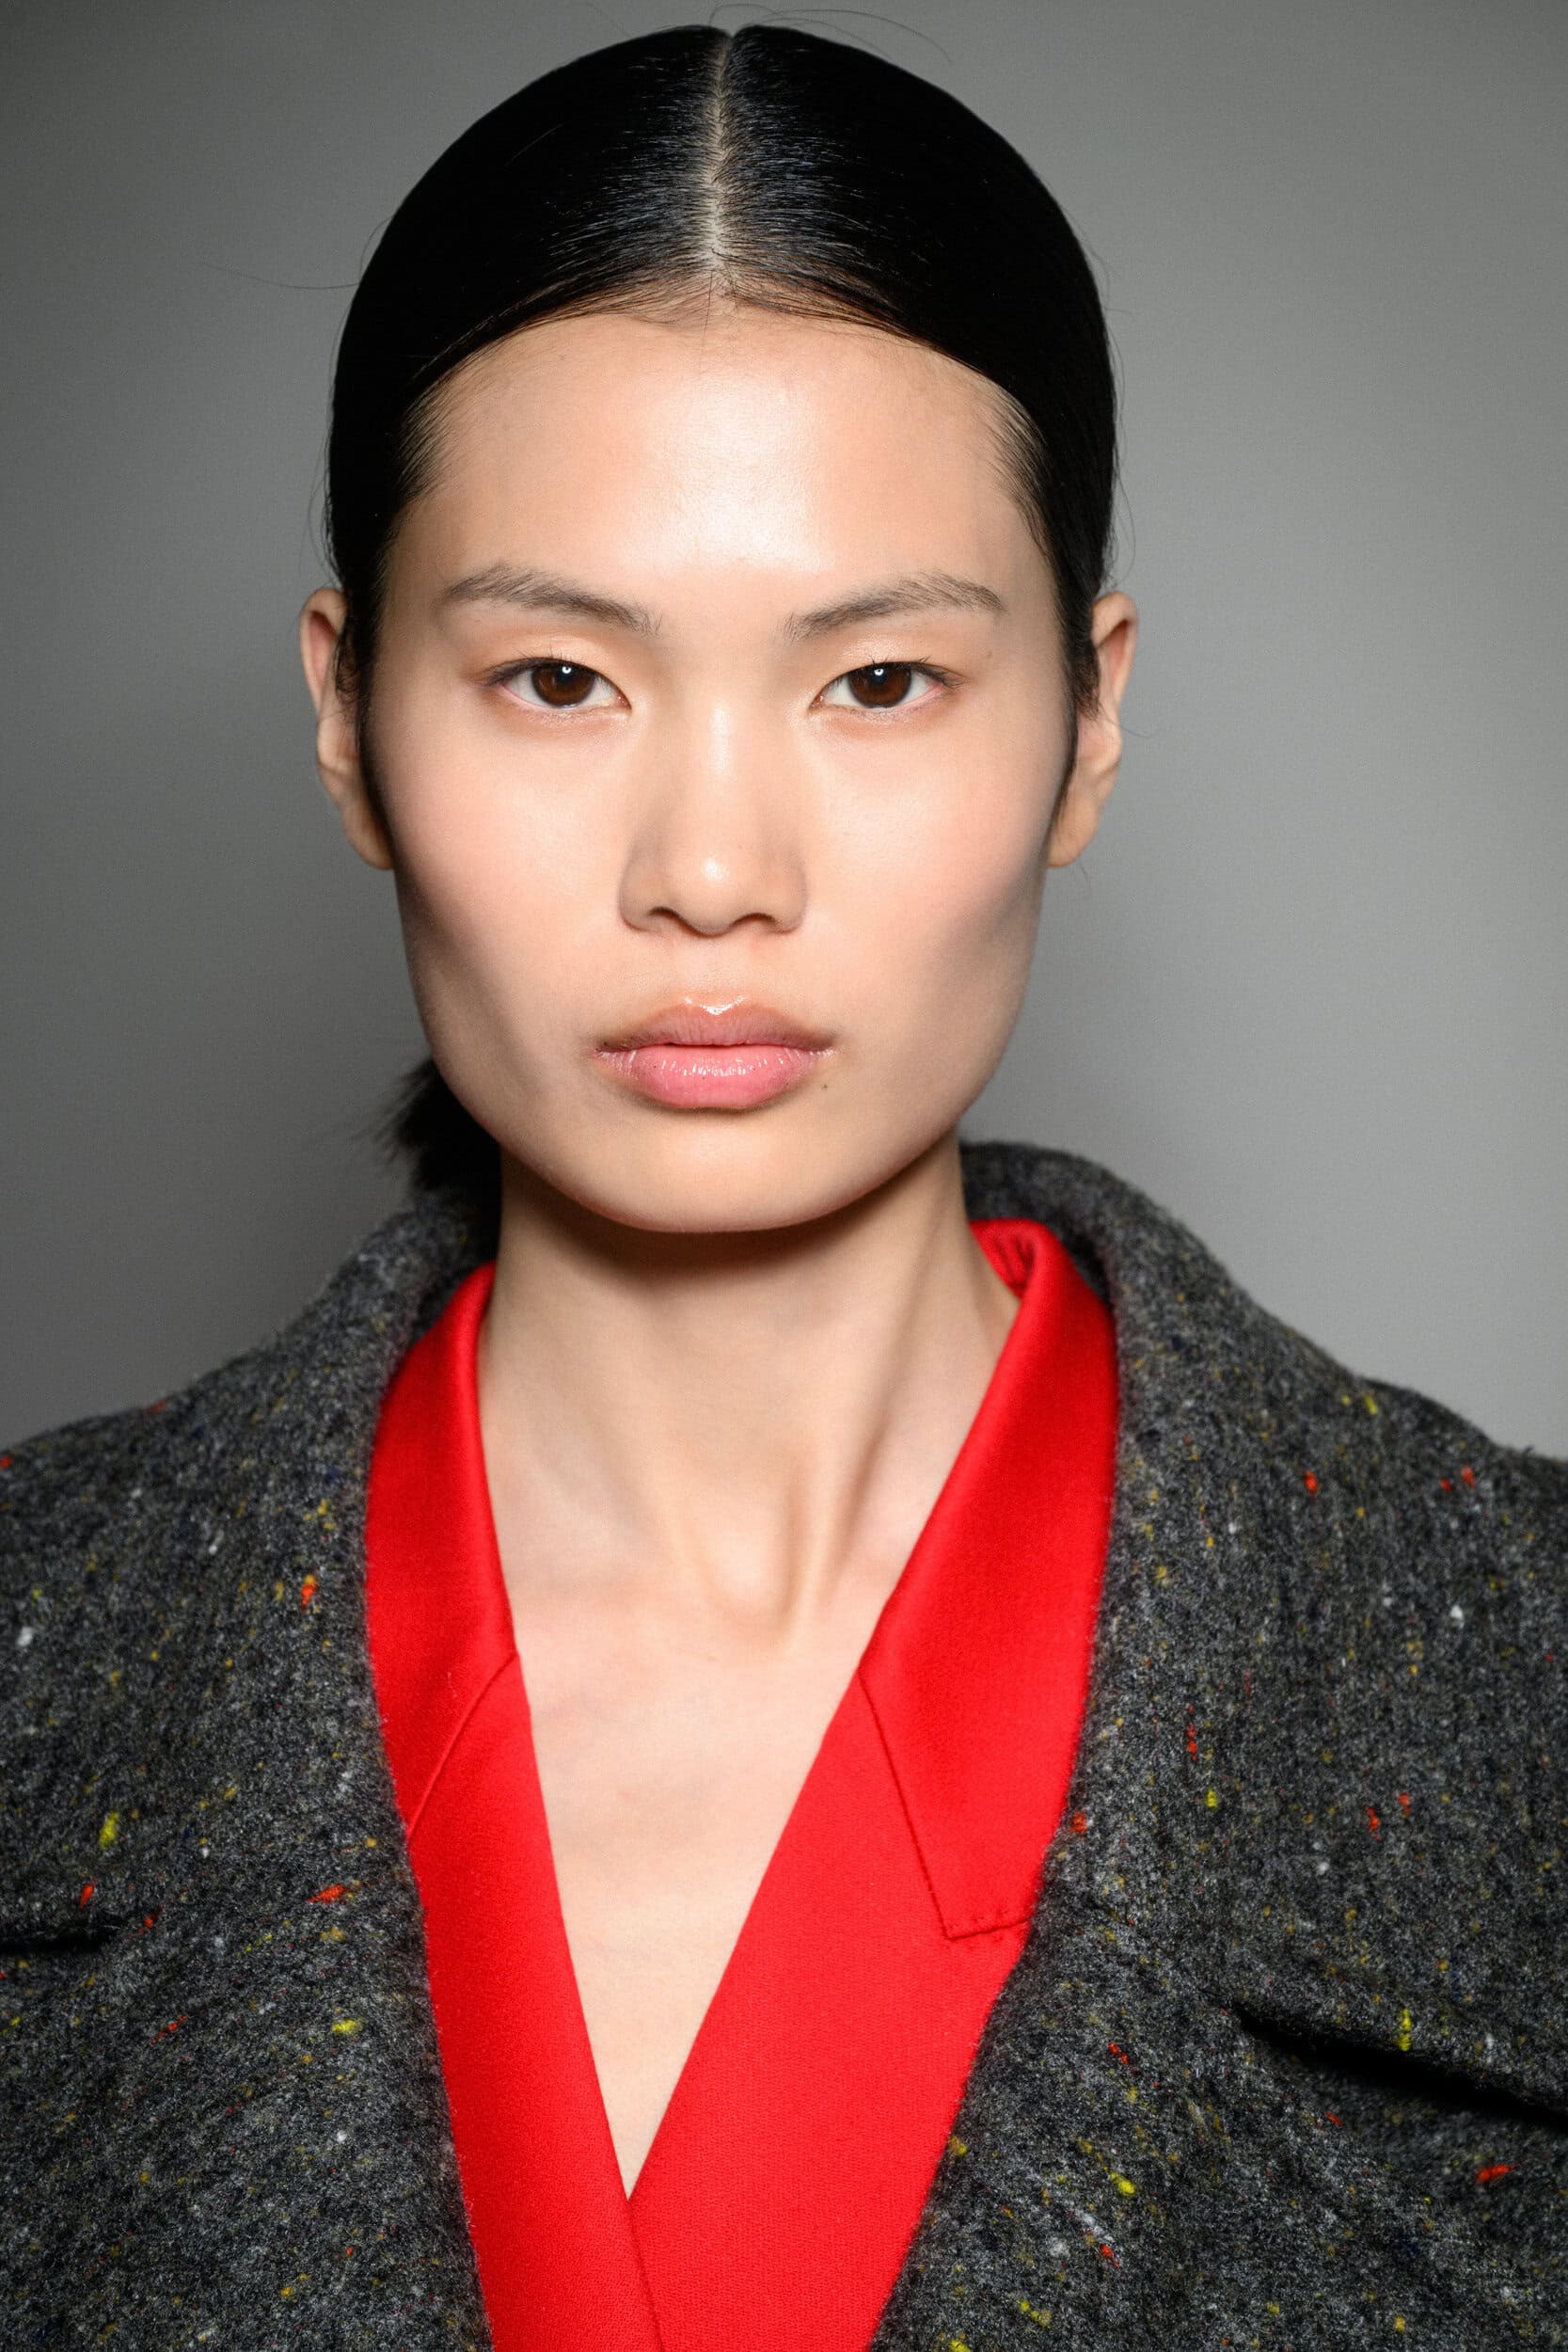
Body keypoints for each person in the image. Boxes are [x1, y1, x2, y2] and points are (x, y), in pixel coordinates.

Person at [2, 24, 1562, 2351]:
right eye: (558, 678)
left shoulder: (1518, 1668)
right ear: (348, 719)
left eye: (880, 682)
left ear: (1089, 721)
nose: (713, 869)